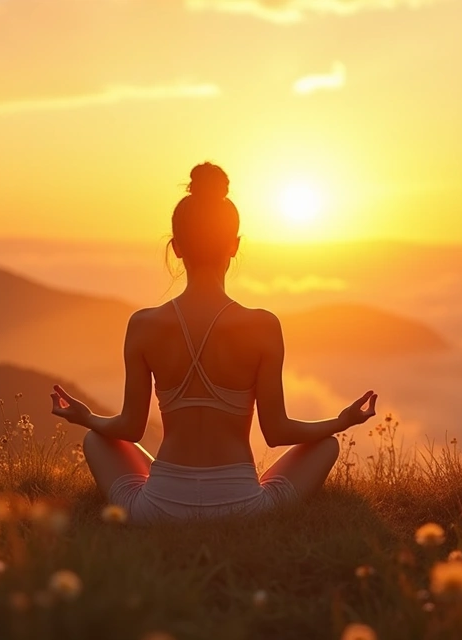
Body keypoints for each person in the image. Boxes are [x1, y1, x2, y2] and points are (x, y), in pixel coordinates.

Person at [50, 162, 377, 524]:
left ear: (176, 247)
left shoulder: (143, 325)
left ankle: (175, 490)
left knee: (96, 439)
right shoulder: (262, 326)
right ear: (234, 246)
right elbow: (277, 431)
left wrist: (86, 417)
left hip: (157, 510)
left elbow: (129, 429)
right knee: (326, 444)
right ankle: (249, 497)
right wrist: (342, 421)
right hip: (245, 510)